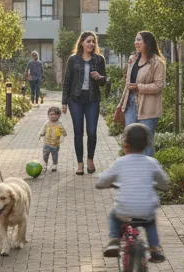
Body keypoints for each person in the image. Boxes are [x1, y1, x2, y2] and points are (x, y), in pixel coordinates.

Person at [97, 122, 169, 263]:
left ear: (125, 144)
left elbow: (103, 180)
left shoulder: (120, 162)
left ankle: (114, 240)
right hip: (146, 210)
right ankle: (154, 248)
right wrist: (163, 186)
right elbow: (164, 182)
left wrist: (101, 184)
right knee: (150, 223)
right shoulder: (152, 162)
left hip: (124, 209)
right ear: (147, 144)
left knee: (113, 216)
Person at [62, 31, 109, 175]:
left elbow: (103, 82)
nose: (91, 44)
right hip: (75, 99)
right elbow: (67, 81)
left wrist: (99, 77)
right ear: (81, 42)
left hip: (92, 100)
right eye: (88, 41)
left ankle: (90, 160)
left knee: (92, 132)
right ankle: (80, 164)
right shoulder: (73, 59)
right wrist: (64, 102)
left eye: (93, 41)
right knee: (78, 132)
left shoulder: (99, 59)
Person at [115, 30, 166, 157]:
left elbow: (159, 86)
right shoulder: (132, 59)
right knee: (130, 141)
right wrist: (121, 104)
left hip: (148, 107)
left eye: (139, 40)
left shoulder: (157, 62)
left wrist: (139, 87)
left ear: (147, 43)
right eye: (135, 40)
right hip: (131, 105)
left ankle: (147, 173)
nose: (135, 42)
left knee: (146, 142)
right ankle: (132, 172)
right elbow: (128, 84)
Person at [39, 106, 66, 171]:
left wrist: (63, 134)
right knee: (45, 155)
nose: (53, 116)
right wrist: (41, 134)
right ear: (48, 115)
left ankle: (54, 165)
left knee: (55, 156)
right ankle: (45, 164)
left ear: (59, 116)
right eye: (51, 114)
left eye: (55, 114)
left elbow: (63, 132)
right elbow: (43, 130)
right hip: (47, 143)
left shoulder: (59, 125)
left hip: (55, 144)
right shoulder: (47, 124)